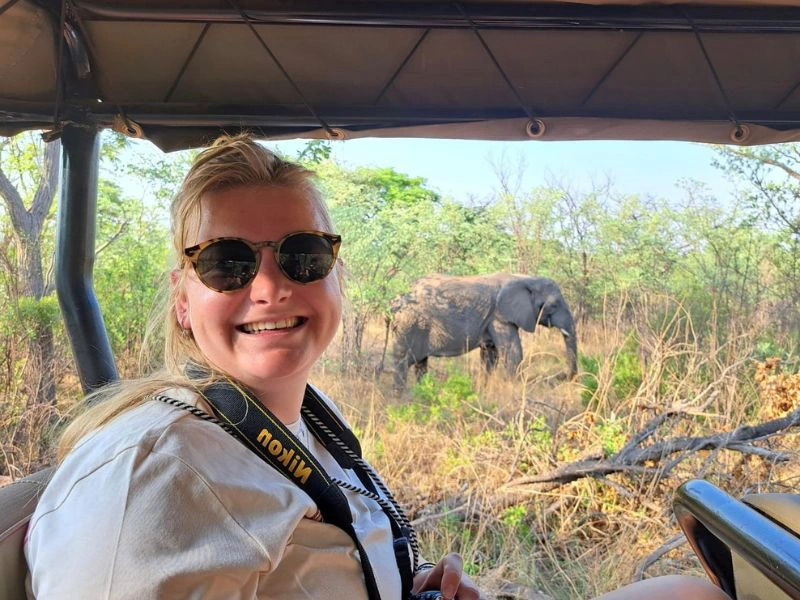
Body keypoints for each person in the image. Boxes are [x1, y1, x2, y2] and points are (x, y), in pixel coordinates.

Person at [23, 135, 729, 600]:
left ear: (334, 275)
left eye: (302, 255)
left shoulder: (302, 422)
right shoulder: (152, 471)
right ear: (183, 301)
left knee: (693, 593)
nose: (269, 287)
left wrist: (404, 583)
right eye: (228, 262)